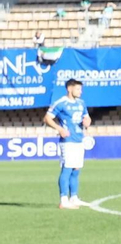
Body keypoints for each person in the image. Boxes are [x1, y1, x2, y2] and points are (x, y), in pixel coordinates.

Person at [44, 78, 90, 209]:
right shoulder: (61, 103)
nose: (80, 91)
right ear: (69, 89)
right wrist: (59, 129)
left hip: (79, 140)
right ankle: (63, 200)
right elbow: (47, 118)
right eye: (78, 89)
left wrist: (88, 121)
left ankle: (74, 198)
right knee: (67, 169)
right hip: (68, 141)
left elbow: (86, 117)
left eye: (81, 89)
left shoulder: (81, 103)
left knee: (76, 170)